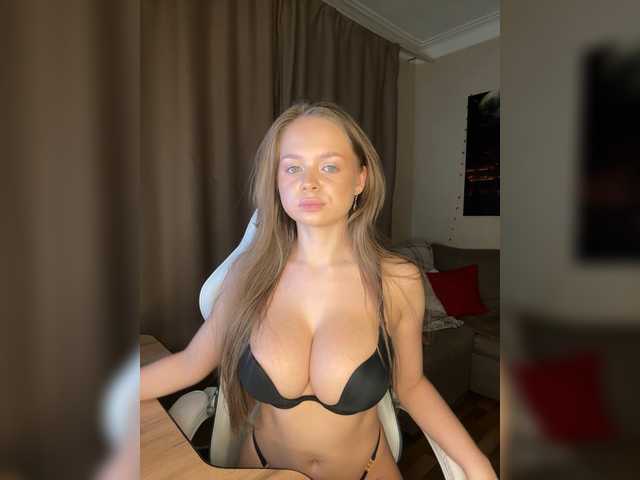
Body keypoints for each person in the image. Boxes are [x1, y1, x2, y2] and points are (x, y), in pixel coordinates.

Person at [140, 102, 497, 480]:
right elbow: (190, 363)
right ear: (276, 182)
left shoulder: (396, 280)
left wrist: (478, 464)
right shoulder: (250, 275)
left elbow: (411, 386)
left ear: (360, 179)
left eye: (329, 166)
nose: (308, 182)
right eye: (292, 167)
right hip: (263, 469)